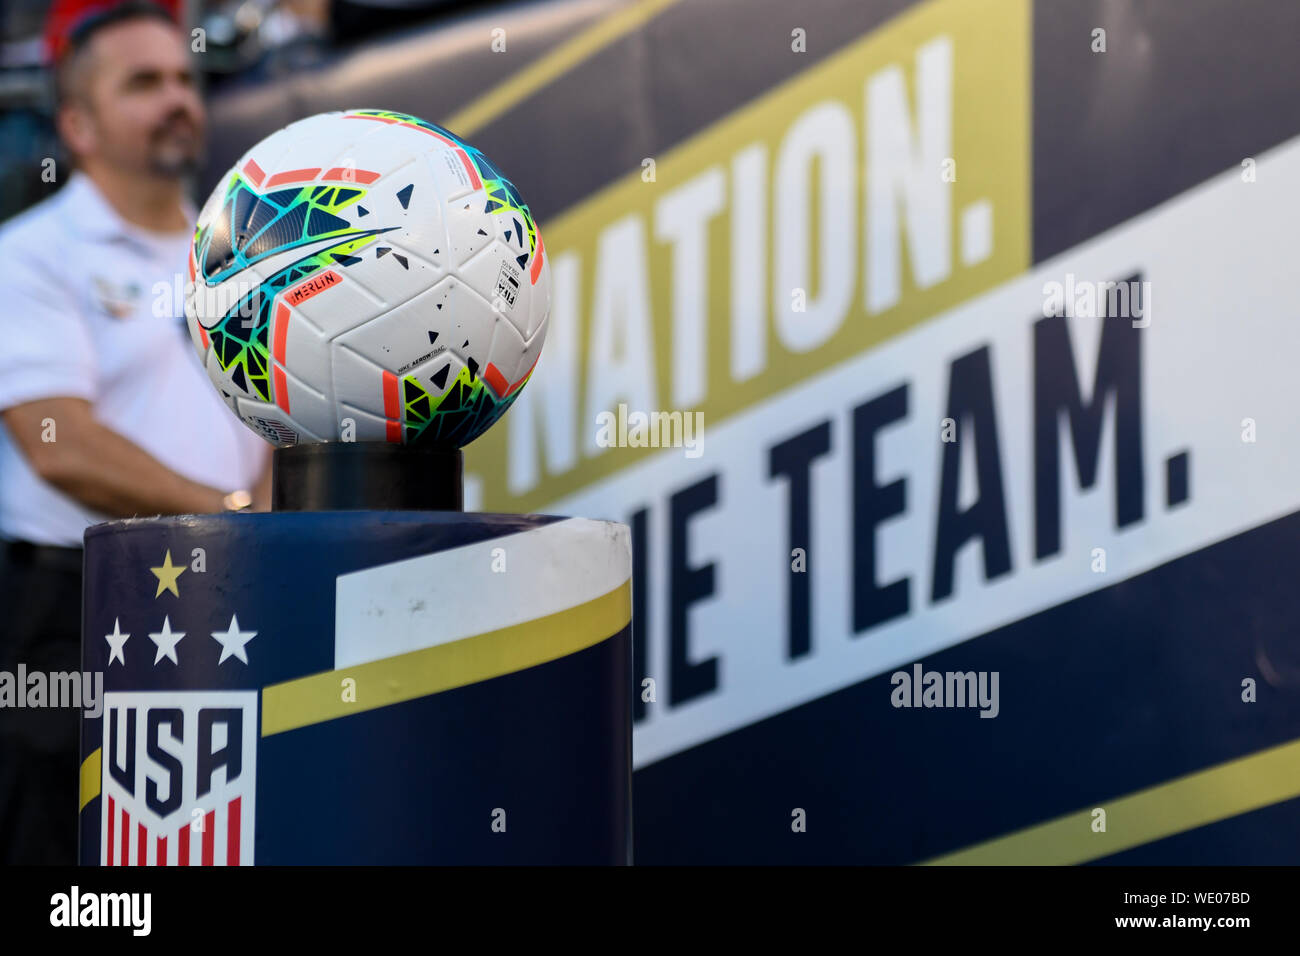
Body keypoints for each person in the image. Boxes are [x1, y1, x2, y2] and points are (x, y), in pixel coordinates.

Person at [0, 0, 271, 864]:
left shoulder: (241, 258)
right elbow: (57, 442)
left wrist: (260, 513)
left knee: (213, 845)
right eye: (144, 83)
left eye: (187, 79)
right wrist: (229, 510)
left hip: (231, 599)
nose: (177, 99)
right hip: (74, 611)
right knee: (64, 859)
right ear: (76, 124)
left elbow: (283, 417)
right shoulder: (31, 253)